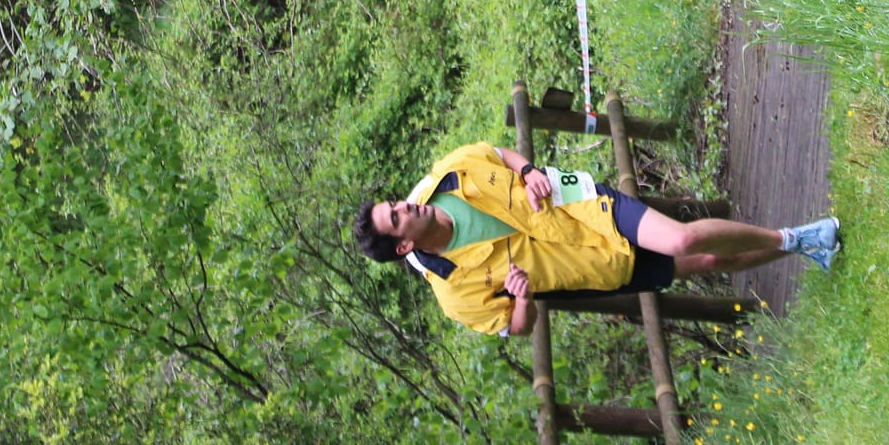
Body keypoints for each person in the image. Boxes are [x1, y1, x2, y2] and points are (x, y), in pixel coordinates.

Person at [352, 141, 839, 336]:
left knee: (682, 241)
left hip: (585, 208)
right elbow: (516, 328)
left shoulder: (449, 174)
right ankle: (800, 248)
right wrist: (522, 300)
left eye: (396, 203)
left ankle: (794, 235)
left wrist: (529, 171)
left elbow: (497, 152)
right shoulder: (453, 292)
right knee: (708, 264)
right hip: (596, 267)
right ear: (403, 246)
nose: (406, 206)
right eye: (397, 217)